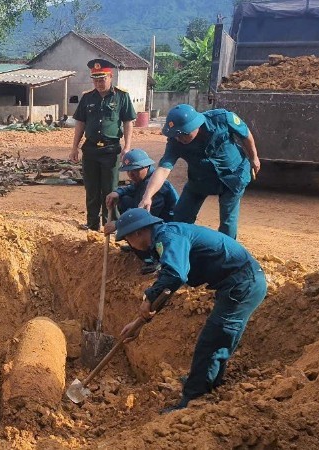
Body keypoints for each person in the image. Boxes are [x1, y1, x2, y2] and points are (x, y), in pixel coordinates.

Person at [115, 208, 267, 412]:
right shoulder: (166, 236)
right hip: (239, 282)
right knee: (218, 337)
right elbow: (168, 288)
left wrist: (149, 297)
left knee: (213, 339)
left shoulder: (169, 237)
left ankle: (193, 400)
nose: (130, 245)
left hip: (243, 284)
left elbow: (176, 275)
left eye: (127, 239)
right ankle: (207, 380)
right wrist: (138, 323)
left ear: (137, 233)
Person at [139, 104, 261, 239]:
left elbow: (245, 134)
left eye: (184, 134)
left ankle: (227, 249)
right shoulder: (175, 142)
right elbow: (163, 169)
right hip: (200, 179)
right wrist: (147, 196)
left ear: (195, 125)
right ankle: (181, 245)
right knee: (181, 216)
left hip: (233, 175)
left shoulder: (222, 119)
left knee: (228, 219)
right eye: (177, 136)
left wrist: (254, 157)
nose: (180, 139)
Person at [70, 58, 136, 231]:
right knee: (91, 189)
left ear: (110, 77)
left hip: (111, 150)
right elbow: (80, 123)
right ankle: (92, 223)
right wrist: (74, 147)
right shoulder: (87, 98)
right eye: (95, 80)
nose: (99, 83)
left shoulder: (122, 96)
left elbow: (128, 122)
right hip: (90, 149)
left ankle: (111, 224)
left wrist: (127, 146)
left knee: (110, 189)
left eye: (102, 79)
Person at [104, 149, 178, 273]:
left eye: (135, 170)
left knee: (143, 230)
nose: (131, 174)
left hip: (166, 224)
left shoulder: (156, 186)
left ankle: (153, 259)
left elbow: (147, 218)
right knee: (124, 200)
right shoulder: (143, 179)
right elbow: (131, 188)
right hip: (153, 217)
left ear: (146, 167)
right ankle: (136, 244)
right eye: (128, 171)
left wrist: (117, 224)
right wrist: (118, 192)